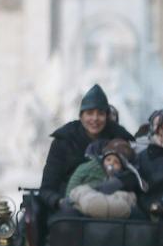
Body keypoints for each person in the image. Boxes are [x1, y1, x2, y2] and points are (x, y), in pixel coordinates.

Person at [38, 84, 134, 212]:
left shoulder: (119, 140)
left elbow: (132, 175)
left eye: (100, 113)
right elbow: (47, 188)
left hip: (111, 204)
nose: (95, 119)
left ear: (106, 116)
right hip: (68, 205)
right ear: (81, 116)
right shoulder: (64, 140)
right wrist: (59, 202)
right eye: (89, 113)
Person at [65, 138, 140, 219]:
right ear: (103, 159)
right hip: (85, 198)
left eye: (116, 162)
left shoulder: (123, 179)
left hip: (109, 204)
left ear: (122, 168)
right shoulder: (89, 168)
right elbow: (75, 181)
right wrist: (69, 198)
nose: (111, 163)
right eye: (108, 159)